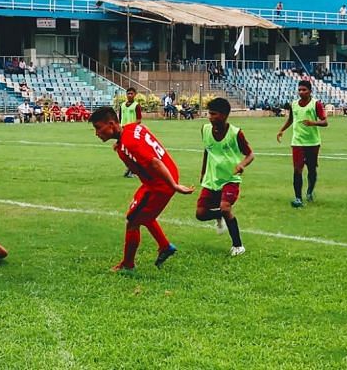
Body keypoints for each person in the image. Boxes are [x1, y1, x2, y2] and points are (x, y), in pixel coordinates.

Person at [90, 107, 194, 272]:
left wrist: (174, 185)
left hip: (160, 184)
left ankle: (127, 265)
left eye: (98, 127)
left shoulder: (129, 142)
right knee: (141, 213)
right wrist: (120, 144)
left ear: (111, 124)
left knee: (133, 221)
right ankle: (165, 246)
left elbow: (154, 163)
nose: (96, 133)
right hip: (159, 177)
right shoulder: (132, 129)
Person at [196, 98, 255, 256]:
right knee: (200, 214)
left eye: (213, 114)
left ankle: (238, 246)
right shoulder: (205, 129)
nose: (210, 117)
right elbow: (207, 150)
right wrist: (203, 172)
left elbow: (250, 155)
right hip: (211, 178)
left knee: (225, 207)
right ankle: (219, 216)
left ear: (224, 115)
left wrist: (241, 165)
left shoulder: (236, 133)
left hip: (230, 178)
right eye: (209, 113)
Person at [277, 80, 328, 207]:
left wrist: (313, 123)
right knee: (297, 170)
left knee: (311, 169)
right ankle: (298, 198)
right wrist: (282, 130)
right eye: (299, 90)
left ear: (310, 91)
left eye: (304, 90)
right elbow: (291, 119)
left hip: (312, 142)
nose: (301, 92)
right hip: (297, 142)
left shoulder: (316, 104)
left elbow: (325, 122)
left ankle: (310, 191)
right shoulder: (294, 104)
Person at [118, 87, 142, 178]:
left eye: (131, 93)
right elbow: (120, 118)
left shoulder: (136, 105)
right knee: (123, 151)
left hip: (132, 131)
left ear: (135, 95)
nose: (130, 95)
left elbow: (139, 120)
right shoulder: (122, 105)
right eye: (128, 93)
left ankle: (132, 170)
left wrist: (131, 126)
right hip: (123, 131)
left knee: (132, 151)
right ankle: (130, 169)